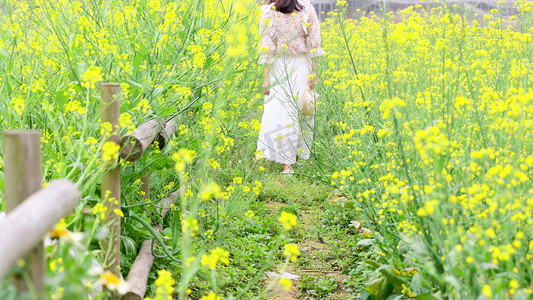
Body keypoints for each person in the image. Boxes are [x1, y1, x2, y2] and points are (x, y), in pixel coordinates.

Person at [256, 0, 325, 174]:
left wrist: (266, 77)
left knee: (279, 112)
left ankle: (284, 161)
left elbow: (267, 46)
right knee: (299, 111)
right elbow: (314, 43)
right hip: (301, 65)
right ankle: (291, 160)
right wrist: (313, 72)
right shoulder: (307, 9)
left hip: (278, 66)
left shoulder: (268, 11)